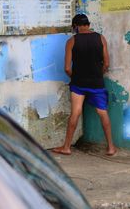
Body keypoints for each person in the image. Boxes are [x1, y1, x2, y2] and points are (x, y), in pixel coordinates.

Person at [52, 14, 116, 156]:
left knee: (76, 112)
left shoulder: (71, 41)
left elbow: (67, 68)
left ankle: (67, 147)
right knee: (102, 112)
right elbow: (106, 63)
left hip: (79, 83)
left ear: (75, 26)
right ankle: (111, 147)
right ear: (88, 24)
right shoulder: (101, 38)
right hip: (97, 82)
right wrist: (98, 75)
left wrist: (75, 78)